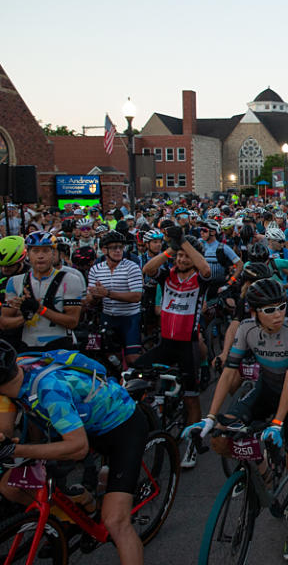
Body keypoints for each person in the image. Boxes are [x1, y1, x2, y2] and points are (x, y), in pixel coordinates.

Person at [186, 278, 288, 562]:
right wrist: (209, 417)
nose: (278, 314)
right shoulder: (246, 329)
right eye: (269, 310)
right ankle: (263, 470)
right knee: (219, 435)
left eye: (282, 307)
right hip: (265, 387)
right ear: (254, 312)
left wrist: (278, 423)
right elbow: (229, 372)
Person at [0, 341, 149, 565]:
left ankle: (88, 509)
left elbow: (79, 449)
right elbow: (4, 428)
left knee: (115, 523)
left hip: (122, 427)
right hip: (80, 424)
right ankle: (74, 513)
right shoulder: (15, 372)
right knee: (9, 486)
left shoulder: (49, 390)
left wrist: (17, 449)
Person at [141, 227, 211, 467]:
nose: (181, 259)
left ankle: (193, 443)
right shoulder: (167, 274)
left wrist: (186, 243)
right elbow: (148, 270)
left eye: (186, 256)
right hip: (165, 343)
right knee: (134, 376)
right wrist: (172, 247)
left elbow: (206, 269)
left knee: (192, 399)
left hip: (187, 346)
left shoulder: (199, 279)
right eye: (179, 256)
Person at [1, 231, 84, 351]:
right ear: (28, 254)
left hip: (61, 348)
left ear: (54, 253)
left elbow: (72, 322)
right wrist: (25, 316)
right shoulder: (14, 282)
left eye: (45, 251)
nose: (40, 256)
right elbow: (4, 323)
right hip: (27, 348)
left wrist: (39, 309)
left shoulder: (70, 279)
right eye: (35, 251)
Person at [86, 230, 143, 364]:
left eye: (120, 247)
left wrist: (107, 294)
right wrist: (95, 296)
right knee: (109, 357)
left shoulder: (132, 267)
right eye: (113, 248)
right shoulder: (96, 269)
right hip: (108, 316)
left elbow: (136, 296)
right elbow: (89, 300)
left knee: (132, 358)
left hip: (130, 317)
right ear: (104, 250)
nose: (118, 251)